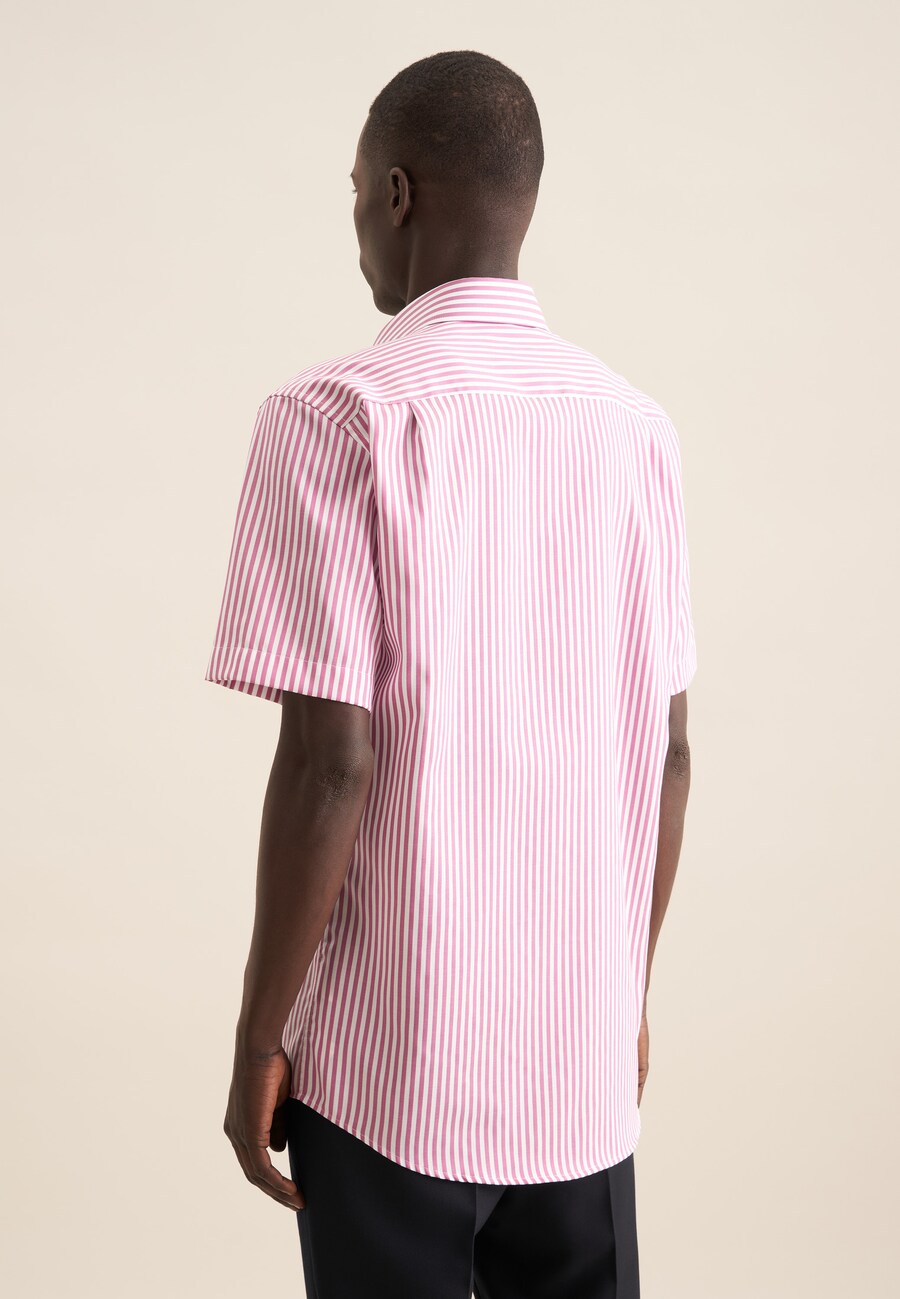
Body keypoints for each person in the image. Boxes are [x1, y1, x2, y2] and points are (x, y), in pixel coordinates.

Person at [205, 48, 696, 1299]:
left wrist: (262, 1036)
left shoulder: (335, 416)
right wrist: (623, 996)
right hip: (580, 1068)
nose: (357, 226)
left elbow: (330, 764)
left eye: (356, 191)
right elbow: (669, 753)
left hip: (389, 1070)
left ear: (398, 194)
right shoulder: (633, 427)